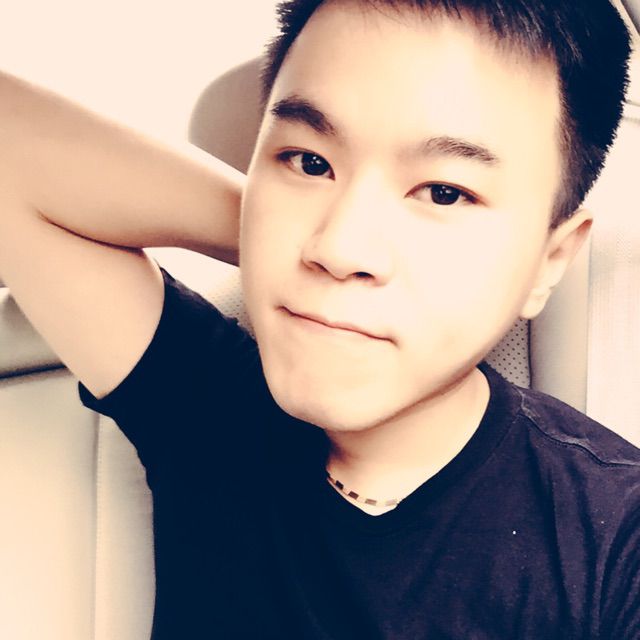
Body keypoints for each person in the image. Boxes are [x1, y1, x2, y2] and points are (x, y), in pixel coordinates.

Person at [0, 0, 637, 637]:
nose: (339, 247)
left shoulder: (615, 540)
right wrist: (266, 239)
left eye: (444, 192)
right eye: (308, 162)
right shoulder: (209, 408)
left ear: (550, 260)